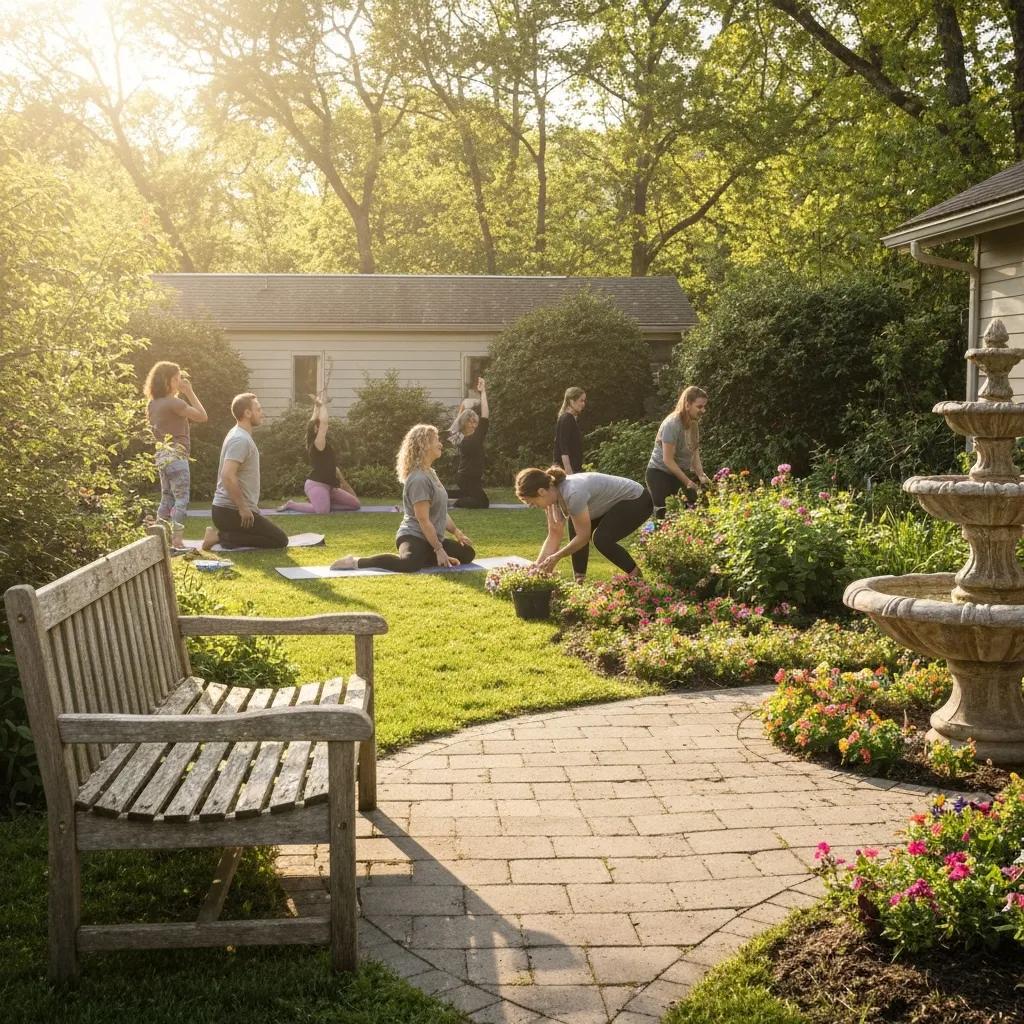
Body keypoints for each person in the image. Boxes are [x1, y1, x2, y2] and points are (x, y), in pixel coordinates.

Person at [330, 424, 475, 573]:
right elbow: (423, 520)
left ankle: (427, 556)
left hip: (431, 538)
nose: (441, 444)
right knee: (409, 564)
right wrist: (438, 549)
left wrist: (456, 532)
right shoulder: (419, 479)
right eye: (436, 440)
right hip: (413, 536)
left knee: (467, 553)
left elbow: (441, 511)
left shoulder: (431, 473)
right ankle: (355, 561)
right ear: (424, 445)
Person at [515, 465, 652, 581]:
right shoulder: (554, 495)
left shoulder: (572, 493)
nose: (531, 506)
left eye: (530, 502)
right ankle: (579, 581)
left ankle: (636, 576)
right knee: (575, 525)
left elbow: (583, 537)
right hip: (611, 505)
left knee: (601, 539)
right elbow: (554, 534)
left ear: (541, 491)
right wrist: (537, 569)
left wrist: (557, 556)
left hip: (637, 500)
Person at [202, 393, 288, 550]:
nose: (262, 413)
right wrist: (243, 508)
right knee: (279, 540)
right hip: (230, 511)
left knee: (272, 536)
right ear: (247, 413)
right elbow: (227, 475)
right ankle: (218, 537)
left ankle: (223, 536)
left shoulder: (238, 434)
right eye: (258, 409)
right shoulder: (240, 439)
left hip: (227, 511)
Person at [144, 361, 208, 550]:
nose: (181, 382)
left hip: (161, 455)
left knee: (167, 498)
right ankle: (177, 540)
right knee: (181, 499)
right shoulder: (175, 403)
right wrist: (189, 392)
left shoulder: (152, 404)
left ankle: (158, 539)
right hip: (177, 456)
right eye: (178, 379)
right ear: (169, 380)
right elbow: (202, 416)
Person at [277, 394, 361, 513]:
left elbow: (313, 421)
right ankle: (292, 504)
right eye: (319, 426)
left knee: (355, 504)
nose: (323, 428)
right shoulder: (317, 443)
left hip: (330, 486)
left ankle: (324, 502)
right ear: (316, 429)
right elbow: (324, 424)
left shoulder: (317, 441)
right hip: (317, 484)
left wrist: (316, 406)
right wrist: (322, 405)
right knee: (322, 511)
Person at [646, 385, 710, 519]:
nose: (703, 410)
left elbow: (695, 454)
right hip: (659, 473)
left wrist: (701, 475)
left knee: (700, 507)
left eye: (704, 407)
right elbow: (667, 460)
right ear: (687, 405)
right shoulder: (672, 424)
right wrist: (688, 482)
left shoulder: (693, 424)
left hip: (678, 471)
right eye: (699, 407)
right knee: (663, 514)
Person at [446, 377, 490, 508]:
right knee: (483, 503)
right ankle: (452, 503)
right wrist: (482, 392)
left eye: (475, 422)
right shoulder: (462, 437)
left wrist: (483, 392)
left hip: (470, 478)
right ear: (464, 423)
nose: (473, 424)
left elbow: (484, 415)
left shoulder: (470, 436)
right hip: (466, 477)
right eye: (470, 422)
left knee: (469, 495)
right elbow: (484, 414)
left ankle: (442, 494)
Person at [553, 386, 586, 475]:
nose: (583, 404)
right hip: (567, 470)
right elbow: (563, 447)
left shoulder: (570, 419)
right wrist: (569, 472)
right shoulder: (567, 418)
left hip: (573, 468)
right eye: (581, 400)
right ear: (571, 401)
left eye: (584, 401)